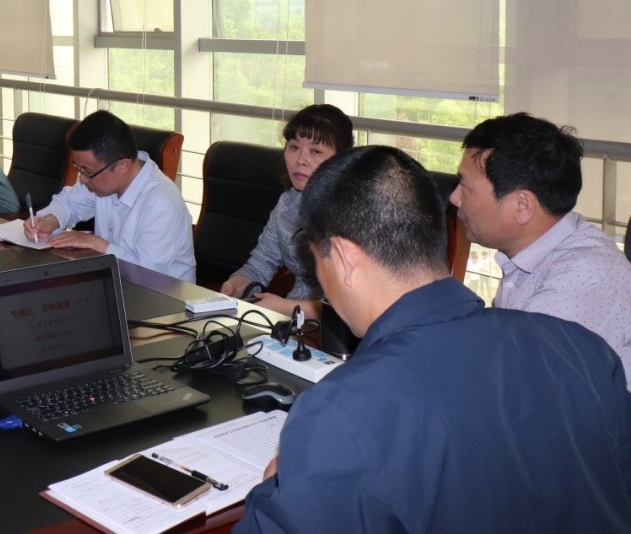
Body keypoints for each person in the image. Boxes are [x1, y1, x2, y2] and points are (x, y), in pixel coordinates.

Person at [235, 145, 631, 533]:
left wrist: (274, 486)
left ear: (343, 258)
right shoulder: (582, 348)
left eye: (317, 260)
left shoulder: (342, 412)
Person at [451, 112, 631, 387]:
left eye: (465, 187)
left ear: (522, 205)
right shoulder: (534, 253)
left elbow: (509, 383)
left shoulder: (581, 278)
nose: (454, 197)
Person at [24, 110, 195, 282]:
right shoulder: (104, 179)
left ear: (123, 166)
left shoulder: (161, 203)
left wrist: (97, 244)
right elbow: (68, 202)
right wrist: (51, 220)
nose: (82, 179)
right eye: (79, 168)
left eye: (87, 171)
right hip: (112, 281)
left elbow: (148, 274)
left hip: (162, 294)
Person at [219, 104, 353, 317]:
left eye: (316, 151)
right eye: (294, 147)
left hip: (338, 328)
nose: (301, 160)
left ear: (341, 161)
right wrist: (236, 284)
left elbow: (355, 305)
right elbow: (261, 262)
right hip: (291, 319)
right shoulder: (288, 204)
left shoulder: (354, 214)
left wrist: (286, 307)